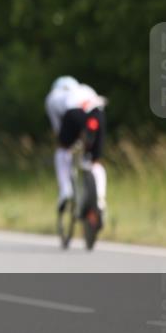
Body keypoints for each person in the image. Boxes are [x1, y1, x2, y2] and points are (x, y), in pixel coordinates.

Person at [44, 76, 107, 227]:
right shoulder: (86, 88)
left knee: (63, 150)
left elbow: (59, 129)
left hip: (73, 114)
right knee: (95, 161)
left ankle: (65, 191)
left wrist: (66, 143)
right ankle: (100, 199)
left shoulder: (53, 97)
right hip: (97, 114)